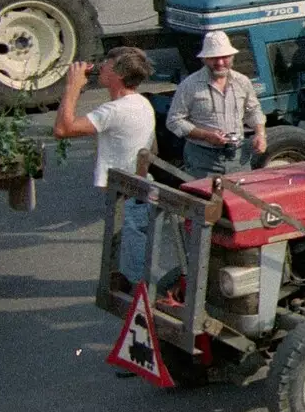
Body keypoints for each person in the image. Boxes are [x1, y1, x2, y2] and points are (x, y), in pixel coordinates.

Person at [53, 47, 157, 286]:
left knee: (130, 268)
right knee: (128, 259)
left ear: (118, 74)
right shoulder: (140, 103)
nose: (100, 66)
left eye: (106, 64)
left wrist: (73, 86)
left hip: (125, 194)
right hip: (136, 187)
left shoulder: (115, 110)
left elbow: (62, 129)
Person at [166, 31, 265, 178]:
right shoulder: (189, 85)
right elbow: (174, 121)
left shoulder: (242, 81)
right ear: (205, 59)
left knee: (239, 199)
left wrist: (260, 134)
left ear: (232, 57)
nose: (220, 63)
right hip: (202, 159)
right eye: (214, 58)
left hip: (238, 157)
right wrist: (206, 136)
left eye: (224, 57)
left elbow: (253, 111)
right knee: (205, 199)